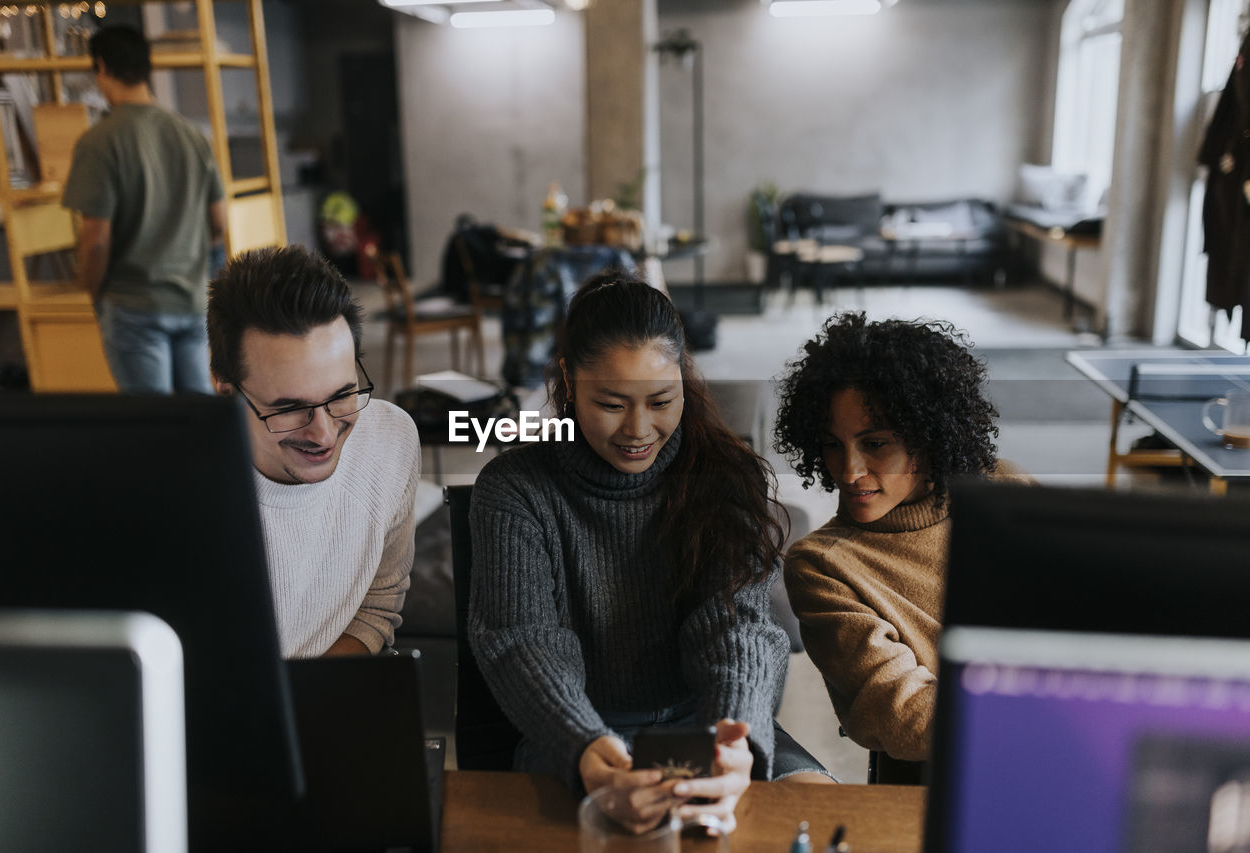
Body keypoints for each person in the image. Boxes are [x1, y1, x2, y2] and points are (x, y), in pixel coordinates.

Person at [469, 275, 832, 835]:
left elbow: (739, 627)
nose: (639, 431)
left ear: (683, 377)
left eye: (661, 401)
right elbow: (524, 640)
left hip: (704, 719)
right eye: (611, 404)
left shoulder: (726, 476)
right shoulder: (515, 489)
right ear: (568, 378)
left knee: (828, 818)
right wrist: (588, 747)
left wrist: (732, 741)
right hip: (581, 731)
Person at [775, 311, 1031, 764]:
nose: (850, 471)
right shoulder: (823, 565)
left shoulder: (1000, 487)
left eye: (875, 444)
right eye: (833, 444)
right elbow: (902, 711)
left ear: (928, 437)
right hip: (949, 775)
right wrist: (1047, 722)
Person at [207, 245, 420, 658]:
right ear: (225, 388)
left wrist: (316, 706)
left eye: (342, 395)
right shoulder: (183, 497)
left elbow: (376, 604)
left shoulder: (390, 442)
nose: (323, 433)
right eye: (289, 408)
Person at [63, 24, 226, 394]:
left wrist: (95, 293)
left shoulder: (100, 141)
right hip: (191, 299)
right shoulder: (190, 134)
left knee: (153, 429)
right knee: (199, 421)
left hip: (132, 303)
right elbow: (218, 223)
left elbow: (96, 241)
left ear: (101, 68)